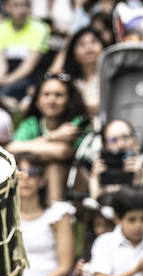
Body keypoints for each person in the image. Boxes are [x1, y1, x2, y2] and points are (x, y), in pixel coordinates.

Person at [0, 156, 75, 276]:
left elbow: (65, 266)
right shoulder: (2, 215)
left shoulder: (58, 214)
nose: (26, 178)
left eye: (34, 172)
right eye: (20, 172)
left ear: (42, 180)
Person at [7, 74, 88, 202]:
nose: (51, 100)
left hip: (75, 183)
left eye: (58, 95)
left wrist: (31, 149)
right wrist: (54, 136)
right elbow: (11, 148)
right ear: (37, 101)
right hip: (35, 179)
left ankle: (56, 216)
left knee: (54, 166)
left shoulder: (77, 123)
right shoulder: (31, 123)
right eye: (46, 94)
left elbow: (63, 152)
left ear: (69, 100)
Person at [87, 119, 143, 228]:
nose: (121, 144)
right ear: (104, 146)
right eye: (113, 140)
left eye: (126, 137)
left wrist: (139, 182)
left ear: (136, 142)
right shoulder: (99, 175)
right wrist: (95, 181)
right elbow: (95, 222)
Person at [0, 0, 51, 106]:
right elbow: (0, 67)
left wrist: (6, 82)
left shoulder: (40, 28)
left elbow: (28, 67)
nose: (21, 10)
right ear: (5, 7)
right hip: (8, 75)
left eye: (25, 5)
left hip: (30, 77)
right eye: (16, 5)